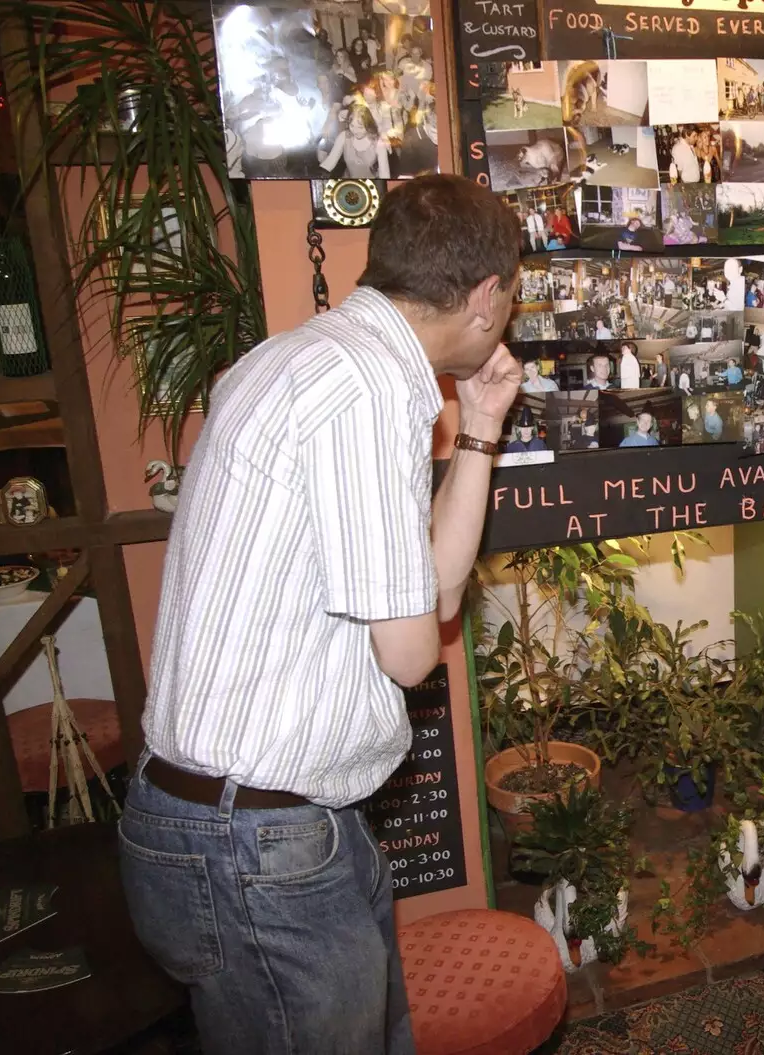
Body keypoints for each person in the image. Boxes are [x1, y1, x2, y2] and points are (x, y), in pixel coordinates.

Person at [118, 175, 522, 1054]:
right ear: (488, 295)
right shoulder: (369, 388)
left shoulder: (316, 356)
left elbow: (437, 594)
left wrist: (482, 423)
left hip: (261, 826)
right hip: (254, 840)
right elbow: (413, 655)